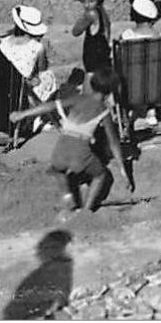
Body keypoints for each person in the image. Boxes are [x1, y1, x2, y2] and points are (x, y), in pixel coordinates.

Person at [44, 70, 130, 215]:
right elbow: (114, 143)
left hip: (58, 153)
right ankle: (86, 211)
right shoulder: (103, 111)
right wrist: (124, 171)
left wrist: (22, 114)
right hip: (80, 156)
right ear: (110, 92)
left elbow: (50, 106)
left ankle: (67, 195)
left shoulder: (78, 98)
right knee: (100, 175)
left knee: (57, 170)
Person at [70, 0, 113, 74]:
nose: (86, 5)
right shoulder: (102, 12)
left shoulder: (90, 14)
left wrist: (82, 17)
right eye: (84, 1)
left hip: (93, 56)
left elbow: (75, 32)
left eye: (91, 1)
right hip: (103, 53)